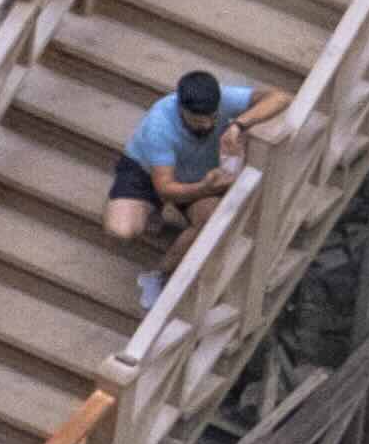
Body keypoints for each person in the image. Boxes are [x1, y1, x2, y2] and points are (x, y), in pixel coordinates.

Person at [105, 64, 281, 308]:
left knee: (211, 218)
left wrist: (238, 125)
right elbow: (165, 187)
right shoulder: (160, 125)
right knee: (122, 229)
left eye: (213, 117)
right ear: (181, 109)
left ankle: (160, 275)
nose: (208, 125)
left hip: (196, 175)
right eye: (198, 121)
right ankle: (143, 205)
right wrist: (206, 188)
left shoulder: (221, 98)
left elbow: (280, 97)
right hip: (148, 172)